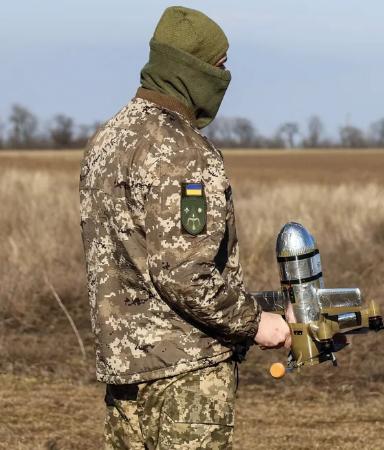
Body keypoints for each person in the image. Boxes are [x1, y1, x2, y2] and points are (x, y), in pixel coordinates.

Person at [79, 6, 292, 448]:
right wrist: (258, 324)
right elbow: (185, 275)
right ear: (193, 69)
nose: (225, 78)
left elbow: (142, 262)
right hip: (186, 376)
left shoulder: (108, 139)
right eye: (221, 67)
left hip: (126, 372)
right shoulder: (183, 150)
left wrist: (268, 303)